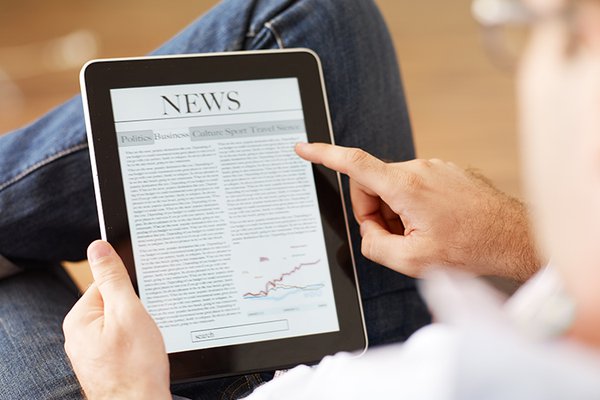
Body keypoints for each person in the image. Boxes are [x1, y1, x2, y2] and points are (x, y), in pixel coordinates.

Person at [4, 0, 584, 398]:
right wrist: (515, 238)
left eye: (547, 27)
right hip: (372, 348)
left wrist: (126, 391)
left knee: (10, 278)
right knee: (311, 15)